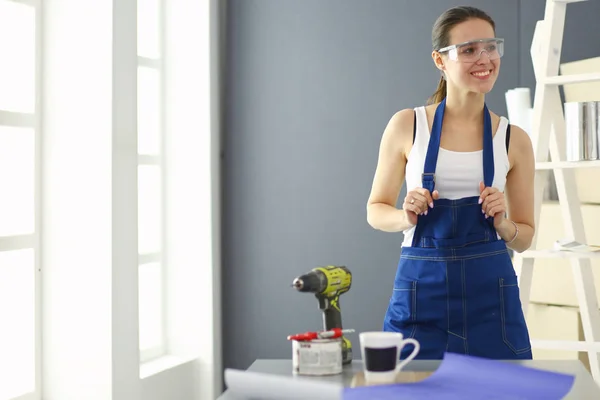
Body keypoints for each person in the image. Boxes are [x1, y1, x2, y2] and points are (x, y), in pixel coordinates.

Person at [366, 6, 535, 360]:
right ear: (440, 61)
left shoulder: (513, 139)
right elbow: (375, 210)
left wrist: (503, 223)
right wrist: (405, 216)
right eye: (469, 49)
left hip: (491, 306)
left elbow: (525, 238)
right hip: (420, 302)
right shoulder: (407, 125)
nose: (484, 58)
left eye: (490, 47)